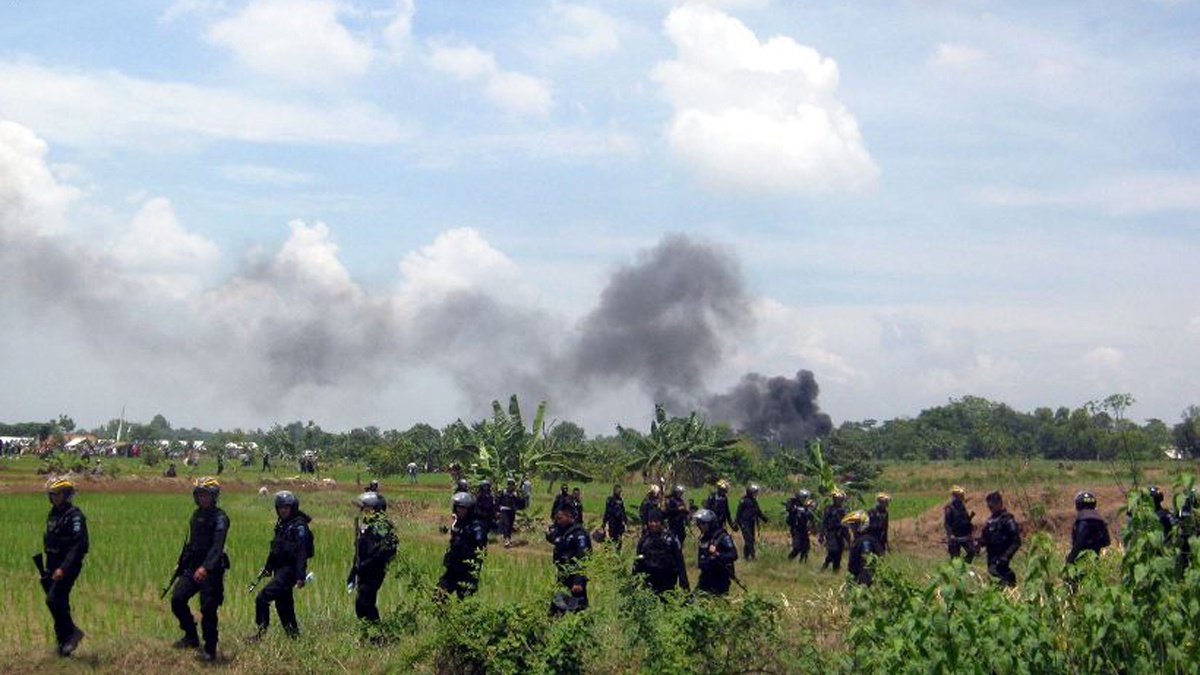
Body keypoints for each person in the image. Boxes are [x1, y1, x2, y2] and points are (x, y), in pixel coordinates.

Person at [170, 477, 230, 661]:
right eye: (200, 494)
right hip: (193, 566)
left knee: (208, 608)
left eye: (206, 494)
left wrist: (206, 567)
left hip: (211, 569)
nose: (203, 498)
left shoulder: (221, 518)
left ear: (214, 496)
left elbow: (217, 546)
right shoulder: (196, 515)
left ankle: (210, 649)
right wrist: (181, 564)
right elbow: (192, 544)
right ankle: (191, 636)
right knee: (177, 599)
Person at [251, 491, 312, 639]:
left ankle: (261, 632)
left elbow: (302, 552)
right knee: (283, 604)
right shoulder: (283, 525)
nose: (283, 510)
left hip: (289, 571)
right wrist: (268, 567)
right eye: (280, 507)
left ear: (293, 508)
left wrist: (300, 576)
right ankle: (294, 637)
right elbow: (276, 550)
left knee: (262, 598)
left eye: (286, 507)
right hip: (279, 569)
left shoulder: (299, 526)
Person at [41, 477, 88, 657]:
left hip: (68, 566)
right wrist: (48, 570)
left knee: (52, 600)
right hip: (52, 565)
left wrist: (63, 568)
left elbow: (79, 546)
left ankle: (73, 632)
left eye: (56, 494)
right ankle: (63, 644)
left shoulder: (75, 516)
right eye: (51, 495)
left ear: (66, 495)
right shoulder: (53, 513)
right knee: (60, 603)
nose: (53, 498)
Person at [347, 491, 398, 627]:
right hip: (363, 569)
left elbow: (384, 552)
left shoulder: (382, 527)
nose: (363, 510)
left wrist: (367, 564)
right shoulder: (365, 525)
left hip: (375, 570)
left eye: (366, 508)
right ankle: (367, 633)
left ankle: (378, 634)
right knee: (360, 605)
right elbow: (359, 551)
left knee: (366, 602)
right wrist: (354, 571)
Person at [437, 492, 489, 599]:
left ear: (469, 509)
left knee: (465, 603)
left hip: (467, 572)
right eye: (458, 507)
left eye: (463, 508)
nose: (459, 510)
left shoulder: (476, 527)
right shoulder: (458, 524)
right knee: (439, 596)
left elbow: (481, 549)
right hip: (452, 569)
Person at [546, 504, 592, 614]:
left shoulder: (579, 534)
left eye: (560, 518)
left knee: (579, 608)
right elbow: (558, 542)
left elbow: (583, 557)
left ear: (569, 516)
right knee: (557, 607)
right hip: (563, 575)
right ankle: (555, 625)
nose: (558, 521)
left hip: (574, 577)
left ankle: (581, 626)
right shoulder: (565, 531)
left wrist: (578, 581)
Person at [632, 510, 689, 596]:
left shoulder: (671, 539)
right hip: (650, 582)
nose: (653, 524)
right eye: (651, 521)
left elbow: (680, 561)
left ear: (661, 522)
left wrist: (684, 583)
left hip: (668, 582)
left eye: (656, 521)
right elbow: (638, 560)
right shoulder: (644, 540)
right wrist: (634, 580)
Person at [978, 491, 1020, 586]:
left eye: (992, 506)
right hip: (992, 555)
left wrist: (1006, 555)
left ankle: (1009, 584)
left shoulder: (1007, 520)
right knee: (993, 570)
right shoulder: (990, 521)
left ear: (1000, 504)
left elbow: (1016, 541)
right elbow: (985, 537)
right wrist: (979, 543)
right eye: (989, 506)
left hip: (1003, 553)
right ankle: (1008, 585)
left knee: (1000, 572)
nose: (990, 509)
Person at [694, 508, 738, 596]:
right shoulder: (704, 538)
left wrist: (717, 554)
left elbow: (733, 555)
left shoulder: (722, 537)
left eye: (703, 523)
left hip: (720, 577)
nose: (700, 526)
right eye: (699, 523)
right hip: (706, 576)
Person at [1066, 491, 1110, 565]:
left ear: (1078, 505)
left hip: (1081, 562)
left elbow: (1079, 543)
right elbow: (1106, 541)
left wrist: (1070, 560)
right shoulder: (1099, 520)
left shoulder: (1082, 520)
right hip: (1094, 560)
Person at [841, 510, 881, 586]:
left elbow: (867, 564)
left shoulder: (865, 541)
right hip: (856, 579)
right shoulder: (858, 540)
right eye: (852, 526)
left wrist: (863, 584)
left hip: (863, 582)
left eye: (855, 525)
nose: (852, 528)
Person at [734, 485, 768, 560]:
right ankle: (753, 556)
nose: (756, 494)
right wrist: (735, 523)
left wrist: (764, 518)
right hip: (744, 523)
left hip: (751, 523)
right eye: (755, 492)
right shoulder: (743, 501)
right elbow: (738, 513)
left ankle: (746, 556)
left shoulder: (754, 501)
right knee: (749, 539)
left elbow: (758, 511)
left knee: (750, 540)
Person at [944, 486, 977, 562]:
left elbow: (964, 520)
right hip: (955, 537)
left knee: (972, 551)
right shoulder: (949, 508)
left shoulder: (962, 507)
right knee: (955, 558)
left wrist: (970, 526)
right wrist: (950, 534)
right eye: (960, 495)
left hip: (965, 535)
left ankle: (964, 564)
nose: (962, 497)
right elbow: (947, 524)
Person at [819, 490, 849, 571]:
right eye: (838, 499)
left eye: (841, 499)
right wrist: (821, 535)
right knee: (833, 551)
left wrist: (848, 538)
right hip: (831, 533)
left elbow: (846, 525)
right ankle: (825, 564)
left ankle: (835, 571)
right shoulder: (828, 509)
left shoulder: (843, 510)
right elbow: (824, 522)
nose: (840, 501)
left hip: (840, 534)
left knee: (839, 553)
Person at [786, 489, 815, 562]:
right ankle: (789, 559)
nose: (804, 499)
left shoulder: (807, 506)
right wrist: (797, 509)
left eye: (806, 497)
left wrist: (808, 510)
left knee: (806, 547)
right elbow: (789, 509)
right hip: (796, 528)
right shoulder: (793, 503)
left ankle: (802, 562)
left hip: (804, 528)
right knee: (797, 547)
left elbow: (811, 516)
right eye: (803, 497)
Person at [497, 478, 527, 548]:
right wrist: (497, 511)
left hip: (512, 511)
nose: (510, 486)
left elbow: (521, 503)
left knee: (510, 525)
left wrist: (518, 496)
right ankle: (506, 539)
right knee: (506, 524)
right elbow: (498, 501)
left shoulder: (515, 494)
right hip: (504, 510)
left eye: (512, 484)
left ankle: (508, 538)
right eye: (509, 484)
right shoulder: (503, 492)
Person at [602, 485, 628, 549]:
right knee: (610, 540)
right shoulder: (610, 499)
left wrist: (625, 521)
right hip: (612, 523)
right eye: (618, 491)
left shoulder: (620, 500)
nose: (619, 492)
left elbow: (623, 511)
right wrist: (604, 522)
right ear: (614, 491)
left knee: (619, 540)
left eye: (620, 491)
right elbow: (607, 511)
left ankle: (618, 554)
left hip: (619, 524)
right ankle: (607, 554)